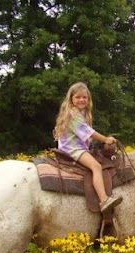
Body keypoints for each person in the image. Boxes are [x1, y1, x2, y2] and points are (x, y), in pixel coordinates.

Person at [53, 82, 123, 213]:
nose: (81, 100)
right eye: (78, 97)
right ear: (71, 99)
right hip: (72, 148)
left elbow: (87, 135)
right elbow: (88, 132)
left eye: (84, 97)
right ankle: (104, 200)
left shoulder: (82, 113)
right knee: (96, 166)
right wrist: (105, 139)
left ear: (88, 99)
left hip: (78, 147)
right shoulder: (72, 114)